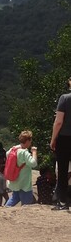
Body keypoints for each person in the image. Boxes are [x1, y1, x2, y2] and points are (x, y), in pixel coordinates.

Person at [50, 75, 71, 211]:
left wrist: (53, 139)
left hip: (65, 138)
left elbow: (58, 122)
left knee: (63, 170)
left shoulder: (64, 98)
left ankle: (63, 202)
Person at [5, 130, 38, 207]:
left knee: (15, 197)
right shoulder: (24, 152)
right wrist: (34, 152)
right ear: (28, 140)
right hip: (24, 183)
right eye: (30, 141)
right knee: (26, 203)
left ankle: (5, 209)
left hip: (15, 181)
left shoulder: (13, 149)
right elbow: (33, 163)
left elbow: (7, 154)